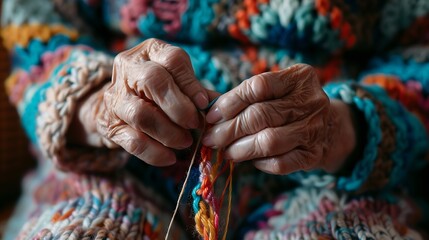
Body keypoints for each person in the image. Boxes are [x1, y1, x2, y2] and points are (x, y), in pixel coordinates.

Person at [1, 0, 429, 239]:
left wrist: (342, 129)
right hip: (115, 171)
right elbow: (38, 38)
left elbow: (419, 62)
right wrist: (101, 106)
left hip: (329, 178)